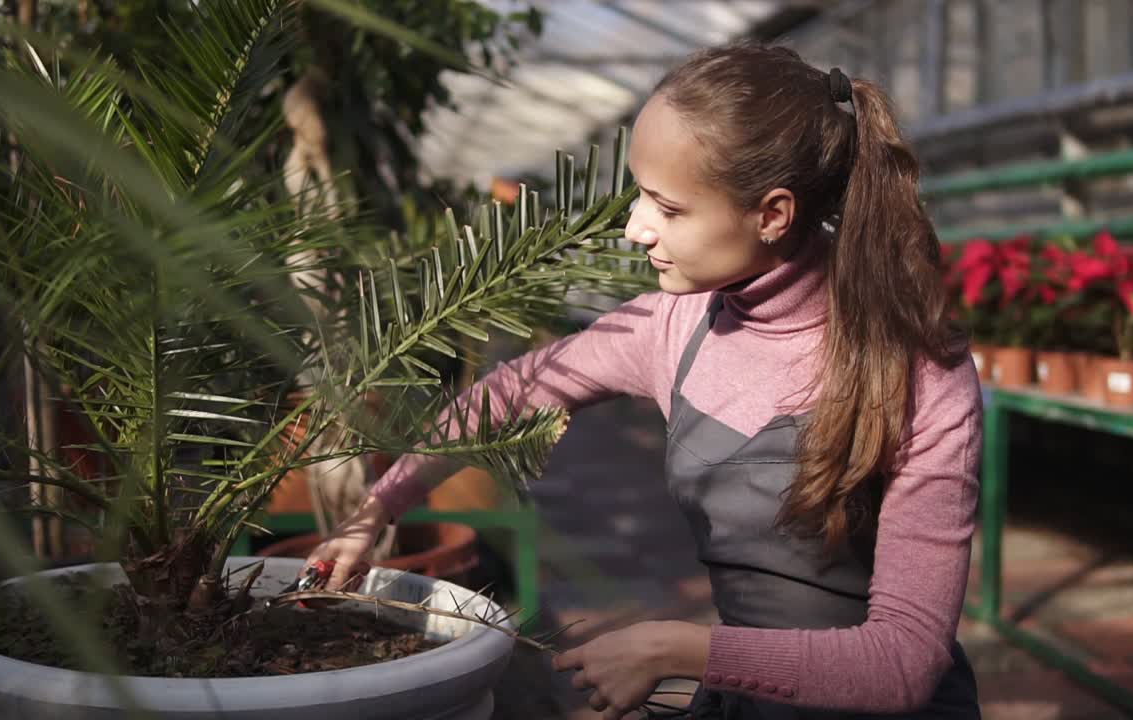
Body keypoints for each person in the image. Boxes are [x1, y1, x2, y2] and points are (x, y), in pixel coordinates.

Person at [304, 43, 982, 720]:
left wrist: (677, 650)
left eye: (669, 208)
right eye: (639, 196)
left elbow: (902, 664)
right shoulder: (676, 327)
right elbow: (509, 392)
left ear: (771, 215)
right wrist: (378, 510)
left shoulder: (920, 374)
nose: (635, 229)